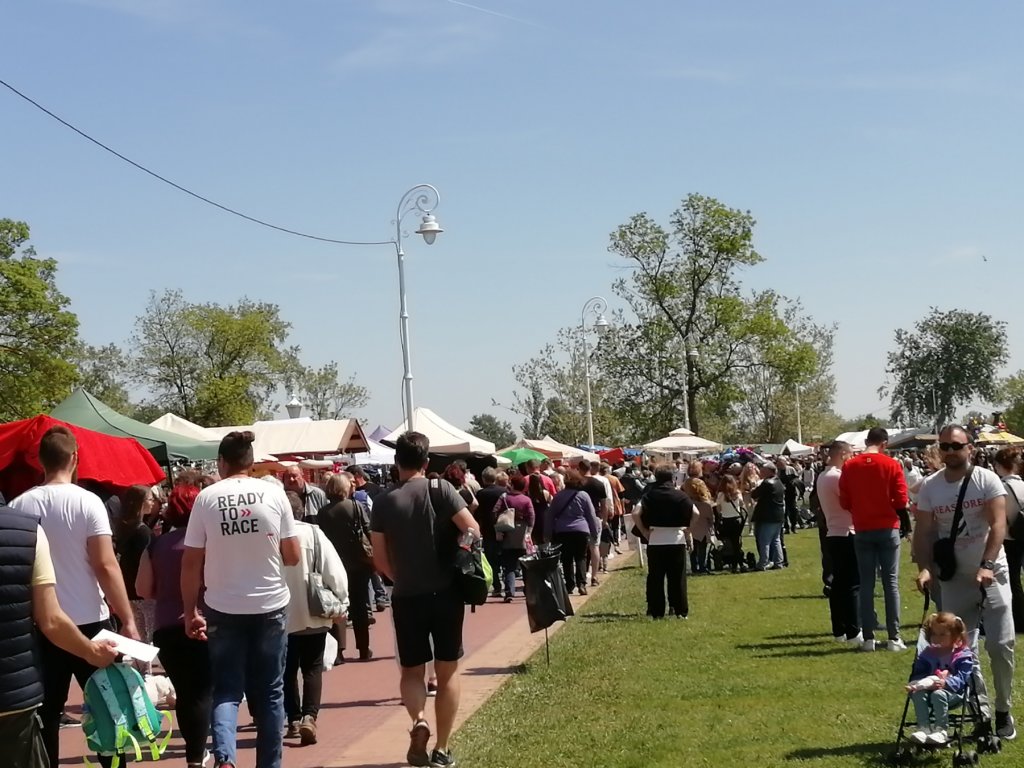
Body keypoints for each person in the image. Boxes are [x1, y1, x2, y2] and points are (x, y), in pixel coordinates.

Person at [7, 426, 139, 768]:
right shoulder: (88, 502)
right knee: (109, 709)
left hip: (43, 624)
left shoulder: (20, 505)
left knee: (48, 714)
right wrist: (127, 619)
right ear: (75, 458)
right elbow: (105, 564)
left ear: (40, 461)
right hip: (91, 621)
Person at [181, 431, 301, 768]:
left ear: (221, 462)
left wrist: (190, 611)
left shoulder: (206, 498)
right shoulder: (274, 494)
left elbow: (190, 562)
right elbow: (293, 556)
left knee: (227, 689)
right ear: (251, 461)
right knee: (271, 691)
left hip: (223, 605)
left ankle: (226, 757)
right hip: (269, 603)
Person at [370, 432, 479, 768]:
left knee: (412, 671)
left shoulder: (383, 501)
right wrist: (459, 553)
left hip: (407, 596)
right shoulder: (440, 488)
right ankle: (442, 749)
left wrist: (399, 577)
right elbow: (473, 529)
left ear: (396, 462)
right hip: (446, 592)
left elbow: (379, 558)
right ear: (426, 461)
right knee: (447, 672)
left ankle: (419, 719)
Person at [913, 425, 1016, 741]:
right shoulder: (930, 486)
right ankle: (981, 711)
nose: (950, 451)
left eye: (956, 446)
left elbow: (998, 524)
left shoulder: (986, 479)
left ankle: (1003, 708)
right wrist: (925, 568)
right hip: (954, 577)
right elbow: (924, 532)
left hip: (992, 575)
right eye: (944, 446)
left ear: (969, 448)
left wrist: (987, 564)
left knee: (1000, 645)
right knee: (961, 650)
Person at [0, 502, 119, 768]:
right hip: (12, 689)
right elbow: (50, 619)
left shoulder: (24, 503)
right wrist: (91, 651)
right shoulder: (28, 529)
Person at [136, 483, 213, 768]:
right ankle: (201, 753)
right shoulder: (209, 541)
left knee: (185, 692)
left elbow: (143, 589)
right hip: (204, 622)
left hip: (166, 627)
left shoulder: (156, 544)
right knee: (204, 692)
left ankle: (194, 755)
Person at [282, 491, 349, 746]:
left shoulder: (270, 536)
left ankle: (293, 718)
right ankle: (309, 716)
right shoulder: (314, 534)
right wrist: (342, 601)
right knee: (312, 667)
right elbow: (335, 571)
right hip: (313, 611)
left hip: (281, 614)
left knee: (286, 670)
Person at [838, 427, 909, 652]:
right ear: (884, 443)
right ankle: (894, 637)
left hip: (862, 527)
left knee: (866, 583)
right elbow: (901, 499)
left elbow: (844, 501)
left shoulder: (850, 465)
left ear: (867, 441)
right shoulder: (891, 464)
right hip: (887, 527)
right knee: (890, 583)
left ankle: (868, 637)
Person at [317, 474, 374, 662]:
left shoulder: (323, 512)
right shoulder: (356, 506)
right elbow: (368, 530)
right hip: (358, 563)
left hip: (334, 564)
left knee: (338, 606)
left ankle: (338, 652)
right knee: (359, 605)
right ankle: (363, 648)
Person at [905, 612, 976, 747]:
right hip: (929, 689)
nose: (937, 638)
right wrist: (920, 683)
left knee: (938, 694)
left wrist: (946, 683)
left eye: (942, 634)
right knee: (917, 694)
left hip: (955, 692)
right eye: (934, 634)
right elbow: (918, 673)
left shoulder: (962, 656)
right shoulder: (927, 654)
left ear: (955, 635)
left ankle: (941, 730)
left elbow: (962, 678)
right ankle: (923, 728)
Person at [636, 465, 694, 618]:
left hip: (656, 539)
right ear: (672, 478)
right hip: (676, 539)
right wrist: (688, 529)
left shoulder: (649, 495)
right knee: (677, 577)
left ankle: (657, 611)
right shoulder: (680, 495)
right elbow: (696, 512)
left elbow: (635, 513)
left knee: (656, 577)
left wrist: (644, 531)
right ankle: (679, 610)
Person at [817, 441, 860, 643]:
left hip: (834, 532)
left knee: (839, 584)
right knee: (852, 584)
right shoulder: (837, 477)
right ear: (843, 454)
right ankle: (853, 630)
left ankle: (839, 629)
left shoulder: (823, 476)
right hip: (846, 532)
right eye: (850, 455)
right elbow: (851, 503)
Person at [546, 470, 600, 595]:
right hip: (581, 530)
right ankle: (581, 584)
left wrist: (547, 533)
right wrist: (594, 531)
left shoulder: (558, 496)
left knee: (566, 558)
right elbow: (591, 515)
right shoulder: (583, 495)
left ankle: (569, 585)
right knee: (581, 557)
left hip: (562, 531)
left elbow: (550, 516)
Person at [115, 484, 156, 643]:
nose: (153, 503)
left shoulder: (124, 528)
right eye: (150, 499)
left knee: (139, 637)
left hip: (128, 589)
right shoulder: (143, 532)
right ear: (141, 503)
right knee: (149, 634)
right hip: (143, 590)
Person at [993, 448, 1024, 634]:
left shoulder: (1001, 488)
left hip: (1010, 538)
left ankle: (1019, 619)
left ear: (999, 466)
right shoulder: (1022, 484)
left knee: (1013, 580)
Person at [496, 474, 535, 602]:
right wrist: (529, 532)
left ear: (512, 485)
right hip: (522, 533)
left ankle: (509, 592)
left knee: (509, 566)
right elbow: (531, 517)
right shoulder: (526, 500)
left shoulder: (504, 498)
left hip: (508, 532)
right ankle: (528, 590)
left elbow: (495, 511)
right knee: (526, 564)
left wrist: (498, 529)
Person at [472, 468, 505, 596]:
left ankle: (497, 586)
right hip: (504, 527)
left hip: (487, 528)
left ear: (483, 479)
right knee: (505, 556)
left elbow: (477, 512)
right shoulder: (503, 491)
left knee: (491, 559)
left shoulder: (481, 494)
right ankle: (509, 584)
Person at [751, 464, 786, 570]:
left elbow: (754, 494)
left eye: (763, 471)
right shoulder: (779, 482)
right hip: (778, 515)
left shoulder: (767, 483)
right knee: (776, 540)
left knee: (764, 540)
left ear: (770, 471)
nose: (760, 473)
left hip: (767, 515)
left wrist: (754, 487)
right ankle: (778, 562)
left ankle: (763, 563)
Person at [715, 475, 747, 573]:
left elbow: (718, 509)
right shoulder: (737, 493)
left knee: (729, 543)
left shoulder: (721, 495)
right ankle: (738, 564)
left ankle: (733, 564)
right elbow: (742, 504)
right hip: (736, 520)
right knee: (736, 543)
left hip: (726, 521)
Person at [683, 478, 713, 575]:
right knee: (702, 549)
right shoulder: (706, 504)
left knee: (693, 549)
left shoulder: (687, 503)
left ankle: (694, 567)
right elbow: (710, 518)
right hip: (703, 529)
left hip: (691, 528)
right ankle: (702, 566)